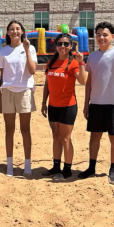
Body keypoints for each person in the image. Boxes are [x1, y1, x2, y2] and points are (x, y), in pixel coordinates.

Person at [78, 22, 114, 185]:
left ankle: (113, 169)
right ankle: (91, 167)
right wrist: (86, 102)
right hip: (96, 103)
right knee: (94, 136)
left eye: (105, 35)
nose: (101, 37)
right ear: (95, 37)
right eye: (98, 35)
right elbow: (89, 82)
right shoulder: (93, 57)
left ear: (112, 37)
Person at [41, 33, 87, 180]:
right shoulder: (51, 63)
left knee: (65, 138)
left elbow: (83, 81)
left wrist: (81, 62)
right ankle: (56, 166)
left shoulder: (73, 62)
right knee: (55, 137)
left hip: (68, 106)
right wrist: (43, 102)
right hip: (53, 105)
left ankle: (67, 170)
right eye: (60, 43)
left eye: (66, 44)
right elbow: (47, 84)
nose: (63, 46)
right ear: (56, 45)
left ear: (71, 46)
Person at [0, 20, 37, 177]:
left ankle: (27, 163)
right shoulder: (3, 51)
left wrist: (26, 50)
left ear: (22, 31)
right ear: (7, 33)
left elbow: (33, 71)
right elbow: (1, 77)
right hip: (7, 91)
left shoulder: (30, 48)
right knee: (9, 130)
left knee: (25, 129)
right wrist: (0, 98)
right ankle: (9, 165)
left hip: (24, 90)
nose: (15, 31)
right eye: (12, 29)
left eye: (17, 29)